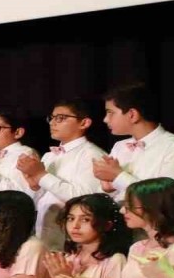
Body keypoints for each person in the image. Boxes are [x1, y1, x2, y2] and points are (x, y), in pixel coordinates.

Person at [18, 99, 108, 248]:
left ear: (84, 123)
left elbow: (85, 199)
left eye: (60, 118)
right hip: (44, 231)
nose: (52, 123)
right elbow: (42, 198)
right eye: (51, 118)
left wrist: (41, 175)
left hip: (71, 238)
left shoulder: (92, 155)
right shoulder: (49, 155)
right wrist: (34, 185)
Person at [96, 83, 174, 202]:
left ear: (132, 115)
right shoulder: (120, 146)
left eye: (110, 112)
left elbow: (167, 201)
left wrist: (118, 176)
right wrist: (108, 189)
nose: (105, 119)